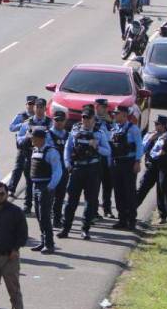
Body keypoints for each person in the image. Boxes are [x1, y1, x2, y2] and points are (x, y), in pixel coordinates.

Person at [58, 109, 111, 240]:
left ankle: (85, 229)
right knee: (71, 201)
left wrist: (97, 147)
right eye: (83, 117)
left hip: (92, 169)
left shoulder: (99, 134)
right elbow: (68, 148)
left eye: (88, 118)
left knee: (90, 201)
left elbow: (107, 152)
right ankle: (66, 229)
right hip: (77, 169)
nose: (85, 120)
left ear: (93, 119)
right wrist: (67, 164)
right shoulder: (75, 132)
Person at [108, 105, 143, 230]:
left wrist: (137, 161)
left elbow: (139, 145)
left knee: (130, 192)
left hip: (129, 163)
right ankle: (122, 219)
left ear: (124, 115)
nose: (114, 115)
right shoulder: (114, 129)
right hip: (116, 163)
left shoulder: (133, 129)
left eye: (117, 113)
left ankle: (131, 221)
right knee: (118, 192)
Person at [28, 127, 62, 254]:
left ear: (40, 139)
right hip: (36, 186)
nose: (31, 139)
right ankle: (43, 241)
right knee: (38, 215)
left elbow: (57, 171)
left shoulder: (51, 152)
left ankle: (49, 244)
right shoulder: (35, 150)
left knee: (45, 216)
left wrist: (50, 187)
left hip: (45, 187)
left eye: (33, 137)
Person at [136, 115, 167, 224]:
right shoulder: (150, 135)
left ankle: (163, 216)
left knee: (162, 192)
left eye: (158, 124)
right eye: (155, 124)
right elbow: (142, 149)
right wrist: (150, 139)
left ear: (164, 126)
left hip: (163, 167)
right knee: (142, 188)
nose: (156, 126)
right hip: (151, 166)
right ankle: (131, 210)